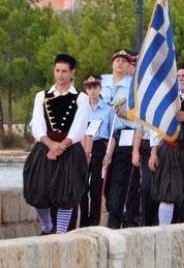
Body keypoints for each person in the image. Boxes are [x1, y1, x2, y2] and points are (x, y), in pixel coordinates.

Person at [23, 53, 91, 235]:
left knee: (66, 193)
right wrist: (50, 144)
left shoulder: (81, 98)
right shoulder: (41, 96)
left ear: (72, 73)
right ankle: (47, 225)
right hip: (45, 147)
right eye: (57, 70)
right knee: (38, 190)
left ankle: (60, 233)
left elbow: (79, 127)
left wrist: (61, 146)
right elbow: (37, 124)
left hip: (69, 149)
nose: (60, 75)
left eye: (64, 71)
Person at [149, 62, 184, 225]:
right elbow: (156, 125)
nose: (180, 79)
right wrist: (153, 152)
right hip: (170, 148)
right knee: (167, 191)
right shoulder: (168, 97)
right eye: (178, 76)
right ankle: (165, 230)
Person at [102, 49, 146, 228]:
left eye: (124, 61)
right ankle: (111, 214)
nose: (120, 63)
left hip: (125, 135)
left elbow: (138, 116)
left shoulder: (133, 86)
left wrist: (122, 114)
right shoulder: (101, 83)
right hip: (102, 138)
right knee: (107, 182)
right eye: (117, 60)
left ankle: (120, 218)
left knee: (122, 181)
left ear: (129, 66)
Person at [79, 74, 112, 227]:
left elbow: (113, 133)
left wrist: (108, 154)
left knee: (96, 187)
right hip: (83, 146)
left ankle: (94, 220)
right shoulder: (81, 108)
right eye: (89, 88)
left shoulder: (108, 110)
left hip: (99, 146)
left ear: (100, 89)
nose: (92, 91)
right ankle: (84, 220)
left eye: (95, 88)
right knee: (82, 186)